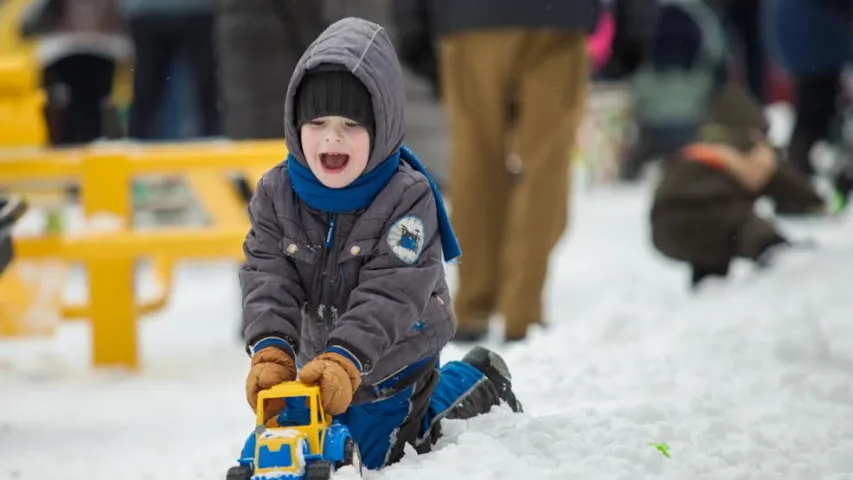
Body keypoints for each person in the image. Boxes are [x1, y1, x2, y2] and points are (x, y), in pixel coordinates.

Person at [234, 17, 523, 473]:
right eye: (318, 122)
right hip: (317, 364)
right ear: (295, 124)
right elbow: (267, 274)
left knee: (372, 453)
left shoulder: (406, 197)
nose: (332, 137)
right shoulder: (277, 191)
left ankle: (474, 381)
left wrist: (347, 358)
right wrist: (272, 348)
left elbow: (393, 291)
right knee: (293, 444)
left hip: (393, 359)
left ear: (382, 128)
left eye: (351, 124)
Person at [650, 84, 827, 289]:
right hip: (699, 208)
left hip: (662, 227)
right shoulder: (749, 146)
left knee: (715, 232)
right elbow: (780, 179)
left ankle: (708, 277)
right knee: (739, 223)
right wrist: (815, 200)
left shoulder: (702, 143)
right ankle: (772, 249)